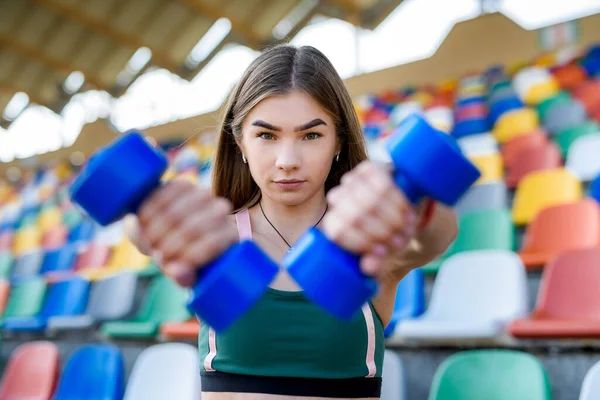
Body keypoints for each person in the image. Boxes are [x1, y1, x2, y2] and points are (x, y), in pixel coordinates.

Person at [126, 44, 458, 400]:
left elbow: (436, 237)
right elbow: (140, 232)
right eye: (266, 135)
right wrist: (148, 210)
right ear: (240, 142)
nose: (287, 160)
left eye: (311, 135)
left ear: (338, 142)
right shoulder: (212, 239)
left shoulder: (373, 243)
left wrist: (413, 207)